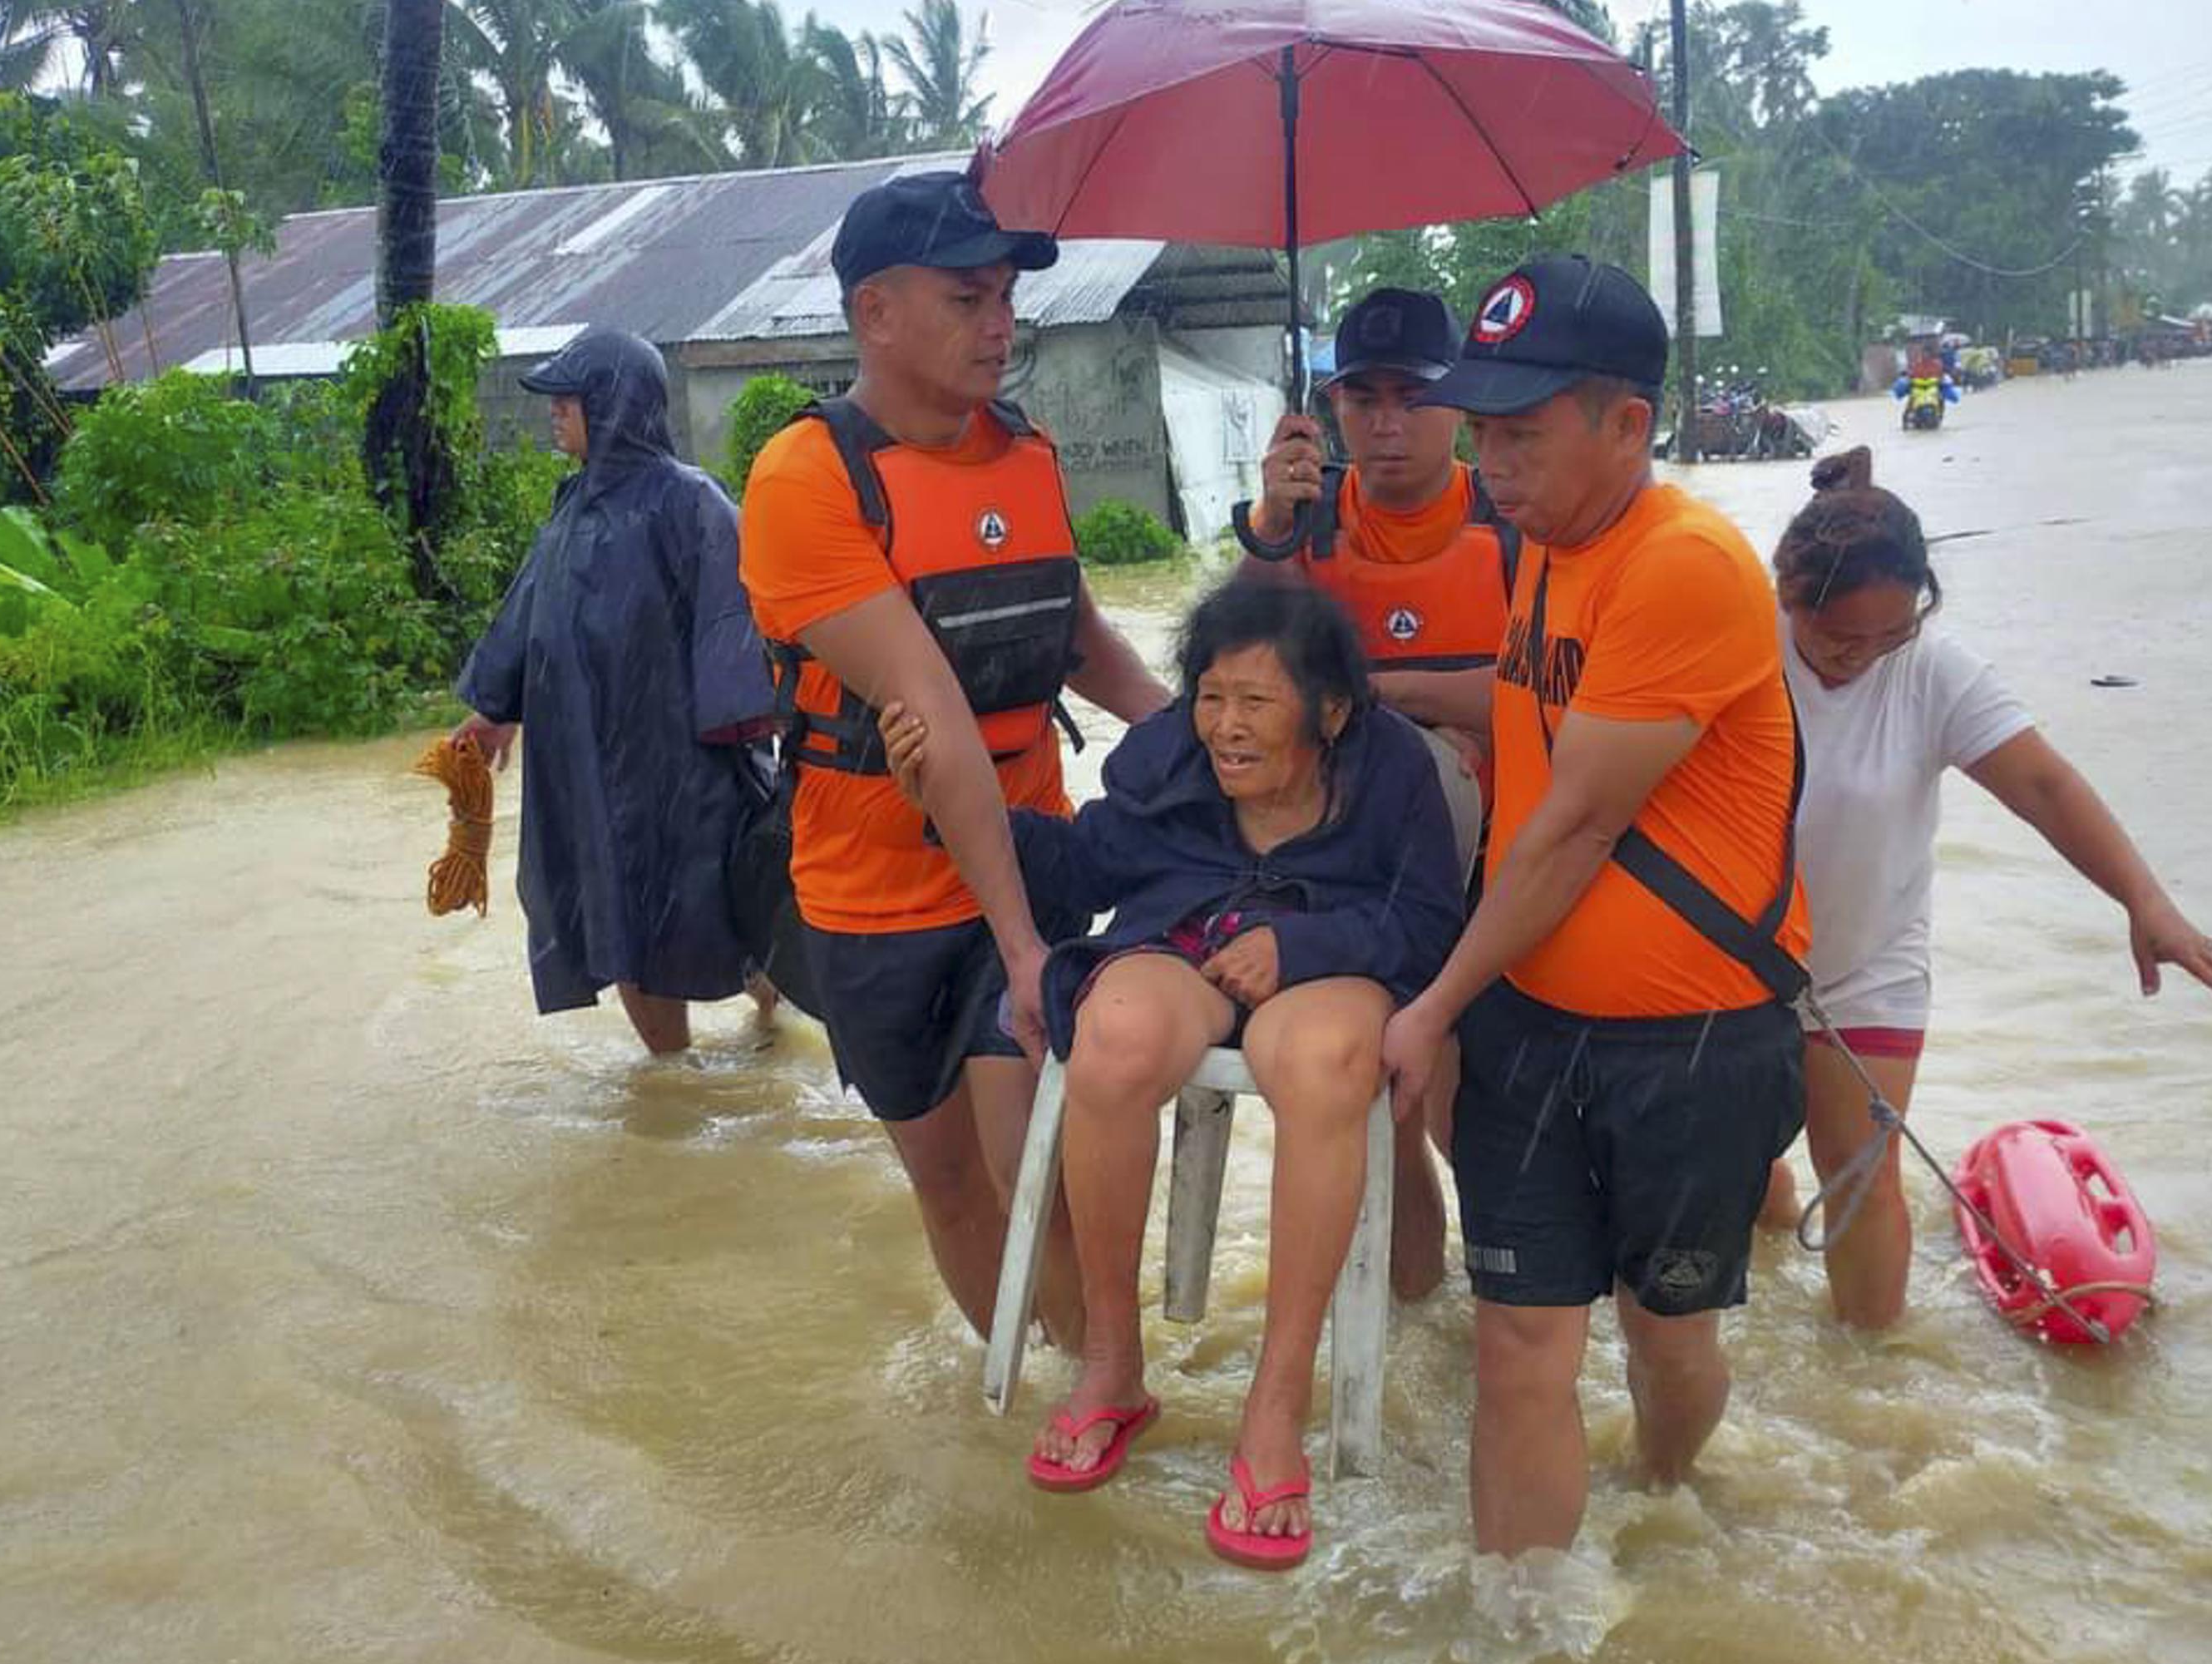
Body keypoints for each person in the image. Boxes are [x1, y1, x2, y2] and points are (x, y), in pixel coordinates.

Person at [879, 580, 1463, 1571]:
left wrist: (1304, 942)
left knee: (1324, 1063)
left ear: (1330, 711)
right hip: (1182, 939)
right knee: (1111, 1035)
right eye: (1211, 696)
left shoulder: (1396, 771)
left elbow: (1428, 922)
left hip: (1331, 963)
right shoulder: (1169, 759)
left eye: (1257, 703)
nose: (1226, 728)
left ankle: (1274, 1410)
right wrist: (942, 794)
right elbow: (1079, 870)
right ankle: (1113, 1365)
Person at [1379, 257, 1810, 1557]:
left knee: (1662, 1334)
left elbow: (1573, 826)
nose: (1489, 459)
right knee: (1519, 1342)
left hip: (1689, 1046)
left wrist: (1433, 1004)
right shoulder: (1552, 553)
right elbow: (1517, 724)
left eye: (1522, 430)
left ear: (1628, 423)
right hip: (1528, 1020)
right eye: (1483, 428)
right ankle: (1518, 1625)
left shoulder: (1684, 565)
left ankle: (1665, 1500)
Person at [736, 171, 1172, 1349]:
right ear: (875, 313)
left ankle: (1097, 1384)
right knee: (950, 1184)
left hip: (1027, 868)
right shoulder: (805, 479)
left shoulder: (1027, 455)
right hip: (872, 901)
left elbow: (1080, 643)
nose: (1002, 324)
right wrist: (1024, 944)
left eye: (1007, 298)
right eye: (968, 298)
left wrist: (1211, 744)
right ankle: (1017, 1392)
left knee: (1048, 1166)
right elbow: (923, 698)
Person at [1755, 448, 2212, 1327]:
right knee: (1732, 1174)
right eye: (1839, 638)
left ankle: (1872, 1381)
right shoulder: (1733, 645)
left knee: (1864, 1179)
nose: (1865, 658)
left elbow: (2045, 787)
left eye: (1891, 636)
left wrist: (2147, 902)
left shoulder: (1935, 671)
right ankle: (1762, 1224)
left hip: (1869, 964)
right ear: (1788, 599)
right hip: (1734, 966)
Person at [1247, 286, 1518, 1299]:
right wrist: (1273, 522)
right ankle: (1416, 1331)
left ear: (1463, 404)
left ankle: (1509, 1314)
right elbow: (1245, 686)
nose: (1389, 424)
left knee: (1475, 1123)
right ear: (1332, 406)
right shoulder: (1305, 530)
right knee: (1392, 1125)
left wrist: (1380, 692)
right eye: (1365, 399)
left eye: (1415, 396)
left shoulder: (1517, 522)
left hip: (1505, 875)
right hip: (1353, 883)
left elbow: (1563, 694)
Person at [453, 328, 774, 1057]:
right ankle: (671, 1077)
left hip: (683, 769)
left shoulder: (691, 503)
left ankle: (768, 1022)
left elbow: (739, 622)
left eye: (570, 399)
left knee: (724, 910)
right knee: (623, 922)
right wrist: (495, 711)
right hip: (589, 770)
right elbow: (531, 612)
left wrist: (744, 737)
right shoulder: (571, 509)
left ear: (614, 403)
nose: (555, 413)